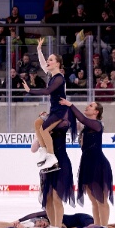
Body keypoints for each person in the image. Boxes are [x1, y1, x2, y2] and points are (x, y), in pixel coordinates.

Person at [22, 37, 75, 172]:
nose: (48, 61)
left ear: (58, 64)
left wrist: (30, 90)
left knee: (44, 129)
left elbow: (47, 91)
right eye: (48, 59)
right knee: (37, 123)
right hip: (54, 109)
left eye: (51, 60)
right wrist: (39, 50)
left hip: (61, 112)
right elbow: (42, 64)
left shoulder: (59, 78)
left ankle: (51, 157)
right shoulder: (52, 75)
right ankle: (44, 151)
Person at [60, 99, 113, 226]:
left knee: (101, 200)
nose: (87, 106)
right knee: (94, 201)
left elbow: (82, 119)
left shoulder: (97, 124)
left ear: (96, 112)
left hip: (98, 164)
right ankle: (97, 227)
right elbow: (70, 121)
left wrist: (70, 105)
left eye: (91, 106)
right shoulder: (85, 126)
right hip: (86, 164)